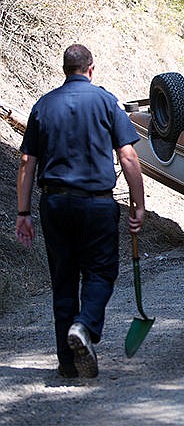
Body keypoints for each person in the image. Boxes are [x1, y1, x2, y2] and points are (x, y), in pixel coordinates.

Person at [15, 44, 146, 378]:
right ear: (91, 68)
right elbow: (128, 157)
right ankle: (85, 326)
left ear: (65, 69)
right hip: (96, 204)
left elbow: (28, 162)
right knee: (100, 273)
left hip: (55, 203)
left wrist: (23, 212)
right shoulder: (106, 102)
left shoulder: (43, 105)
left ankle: (67, 364)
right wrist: (139, 204)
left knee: (63, 279)